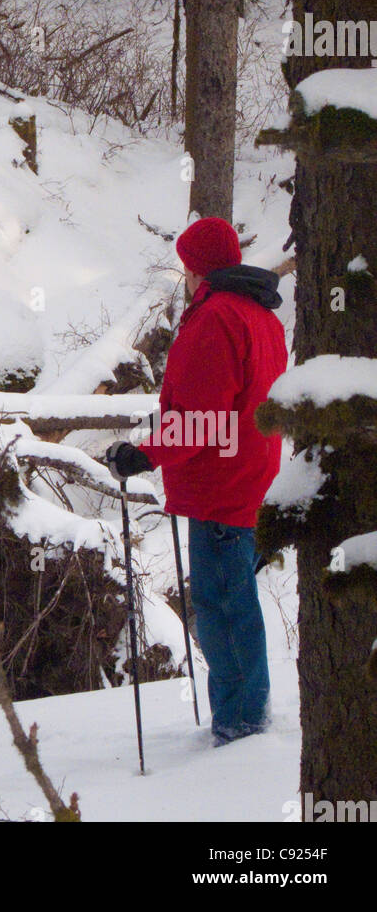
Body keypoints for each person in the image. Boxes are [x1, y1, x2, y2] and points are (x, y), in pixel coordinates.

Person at [106, 216, 288, 746]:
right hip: (249, 477)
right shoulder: (261, 316)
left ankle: (241, 727)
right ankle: (243, 718)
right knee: (231, 605)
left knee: (223, 612)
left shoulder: (216, 318)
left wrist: (144, 454)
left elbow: (202, 417)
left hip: (222, 488)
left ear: (195, 267)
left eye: (185, 266)